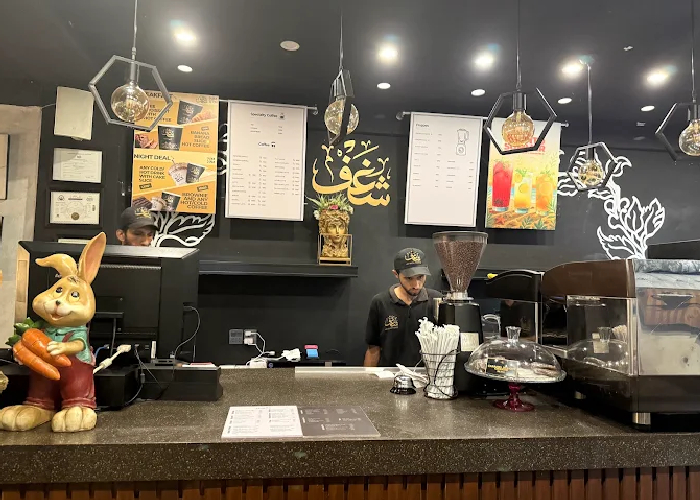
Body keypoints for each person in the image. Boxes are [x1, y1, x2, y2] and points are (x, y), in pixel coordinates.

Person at [364, 248, 442, 367]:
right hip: (389, 375)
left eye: (420, 277)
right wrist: (367, 378)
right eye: (409, 278)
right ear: (396, 274)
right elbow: (373, 349)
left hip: (427, 376)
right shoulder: (380, 302)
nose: (416, 285)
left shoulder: (437, 301)